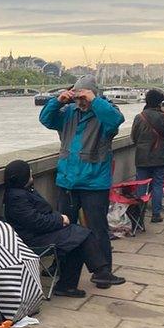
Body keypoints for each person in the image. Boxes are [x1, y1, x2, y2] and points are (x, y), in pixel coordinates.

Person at [3, 160, 125, 297]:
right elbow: (35, 222)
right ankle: (99, 273)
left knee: (79, 237)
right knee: (81, 236)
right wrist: (60, 220)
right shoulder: (16, 197)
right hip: (32, 239)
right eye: (29, 175)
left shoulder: (24, 191)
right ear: (22, 178)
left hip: (39, 232)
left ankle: (70, 284)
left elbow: (43, 212)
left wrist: (59, 217)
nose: (32, 177)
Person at [39, 75, 124, 268]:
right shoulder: (68, 112)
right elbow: (46, 119)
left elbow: (116, 120)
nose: (80, 102)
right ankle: (60, 265)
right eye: (77, 98)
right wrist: (57, 101)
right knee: (64, 226)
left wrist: (94, 100)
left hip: (94, 181)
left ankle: (102, 269)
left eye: (83, 98)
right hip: (67, 180)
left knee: (97, 228)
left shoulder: (106, 112)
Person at [130, 89, 164, 223]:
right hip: (160, 156)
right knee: (158, 185)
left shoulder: (140, 116)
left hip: (142, 156)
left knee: (141, 184)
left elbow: (133, 137)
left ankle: (139, 213)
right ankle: (156, 214)